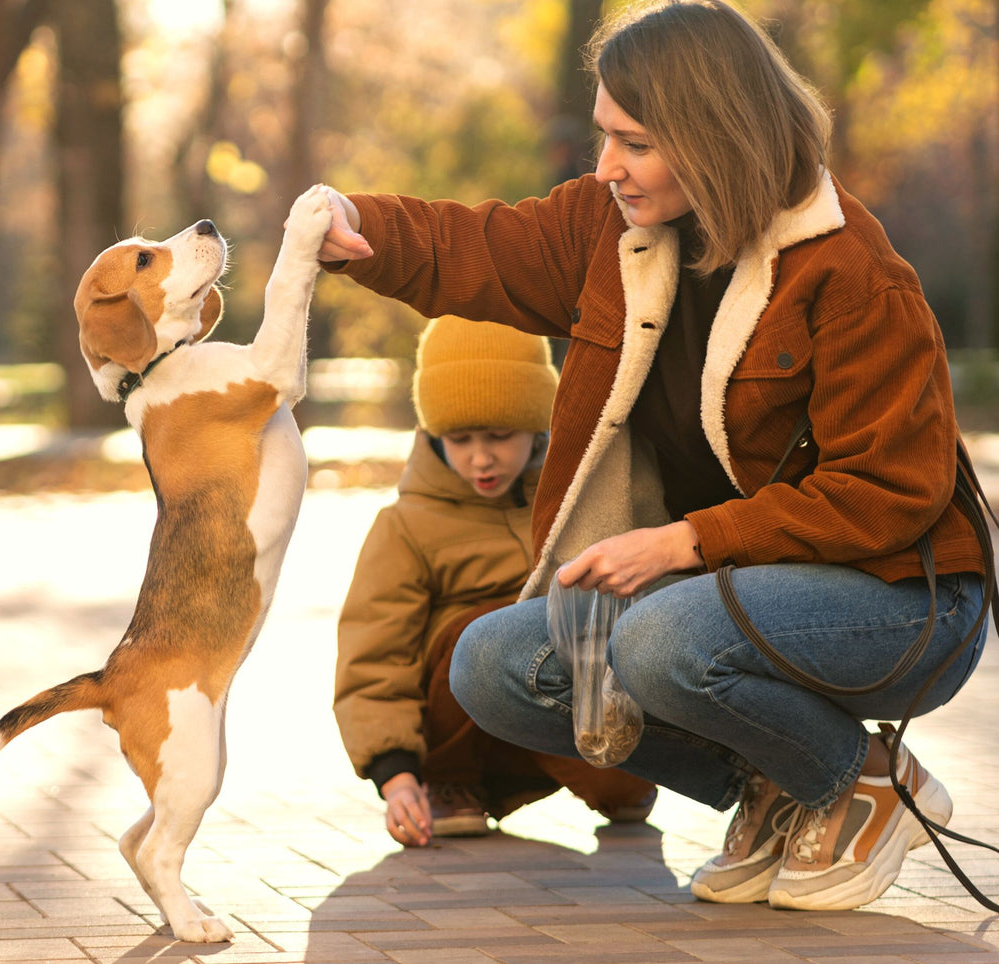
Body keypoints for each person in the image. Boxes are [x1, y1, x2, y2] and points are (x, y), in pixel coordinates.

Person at [313, 0, 990, 911]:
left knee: (657, 639)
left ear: (715, 137)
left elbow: (885, 493)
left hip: (903, 601)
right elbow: (479, 247)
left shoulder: (853, 276)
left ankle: (861, 782)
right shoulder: (609, 230)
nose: (606, 167)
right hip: (733, 584)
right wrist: (356, 223)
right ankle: (777, 788)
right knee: (496, 665)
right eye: (605, 136)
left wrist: (686, 543)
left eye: (634, 143)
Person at [334, 316, 658, 847]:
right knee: (482, 629)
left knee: (622, 789)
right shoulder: (405, 526)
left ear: (538, 425)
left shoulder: (576, 498)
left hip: (549, 705)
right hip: (456, 727)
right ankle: (452, 784)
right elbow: (374, 657)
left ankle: (613, 773)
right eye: (459, 439)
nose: (481, 457)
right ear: (434, 435)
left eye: (501, 436)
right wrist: (396, 776)